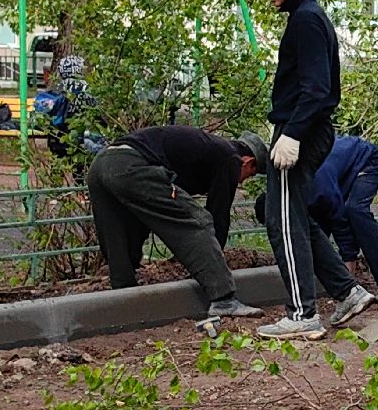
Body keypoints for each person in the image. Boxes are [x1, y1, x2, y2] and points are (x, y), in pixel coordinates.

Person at [251, 0, 374, 340]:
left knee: (281, 221)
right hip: (305, 130)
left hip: (300, 132)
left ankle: (302, 313)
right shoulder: (306, 16)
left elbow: (317, 89)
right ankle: (347, 291)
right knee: (292, 217)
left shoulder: (306, 19)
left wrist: (291, 134)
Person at [86, 125, 269, 319]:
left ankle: (124, 301)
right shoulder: (231, 157)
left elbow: (163, 205)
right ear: (248, 162)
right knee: (198, 221)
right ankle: (224, 300)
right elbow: (218, 216)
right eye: (249, 175)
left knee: (119, 233)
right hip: (129, 166)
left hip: (101, 165)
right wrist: (213, 260)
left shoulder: (207, 148)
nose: (241, 182)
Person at [314, 134, 378, 302]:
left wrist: (349, 258)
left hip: (368, 160)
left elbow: (338, 218)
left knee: (355, 210)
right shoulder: (293, 185)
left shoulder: (318, 178)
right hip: (341, 172)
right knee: (317, 225)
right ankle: (336, 284)